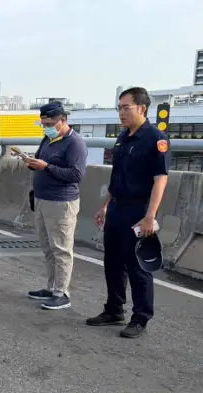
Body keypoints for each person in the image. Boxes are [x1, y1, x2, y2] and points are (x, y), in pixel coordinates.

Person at [86, 87, 170, 339]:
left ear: (142, 108)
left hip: (138, 210)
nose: (121, 113)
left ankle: (140, 317)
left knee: (137, 267)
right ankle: (114, 309)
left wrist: (150, 216)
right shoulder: (122, 137)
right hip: (116, 207)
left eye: (126, 108)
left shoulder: (156, 139)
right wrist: (105, 205)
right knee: (112, 262)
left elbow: (160, 180)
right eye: (119, 108)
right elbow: (117, 175)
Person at [23, 102, 88, 310]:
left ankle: (62, 293)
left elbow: (76, 175)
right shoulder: (49, 139)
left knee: (61, 249)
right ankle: (51, 287)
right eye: (43, 124)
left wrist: (47, 167)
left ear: (63, 121)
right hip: (42, 199)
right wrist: (32, 162)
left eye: (50, 123)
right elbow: (42, 161)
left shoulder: (75, 143)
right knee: (48, 247)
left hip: (61, 202)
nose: (46, 127)